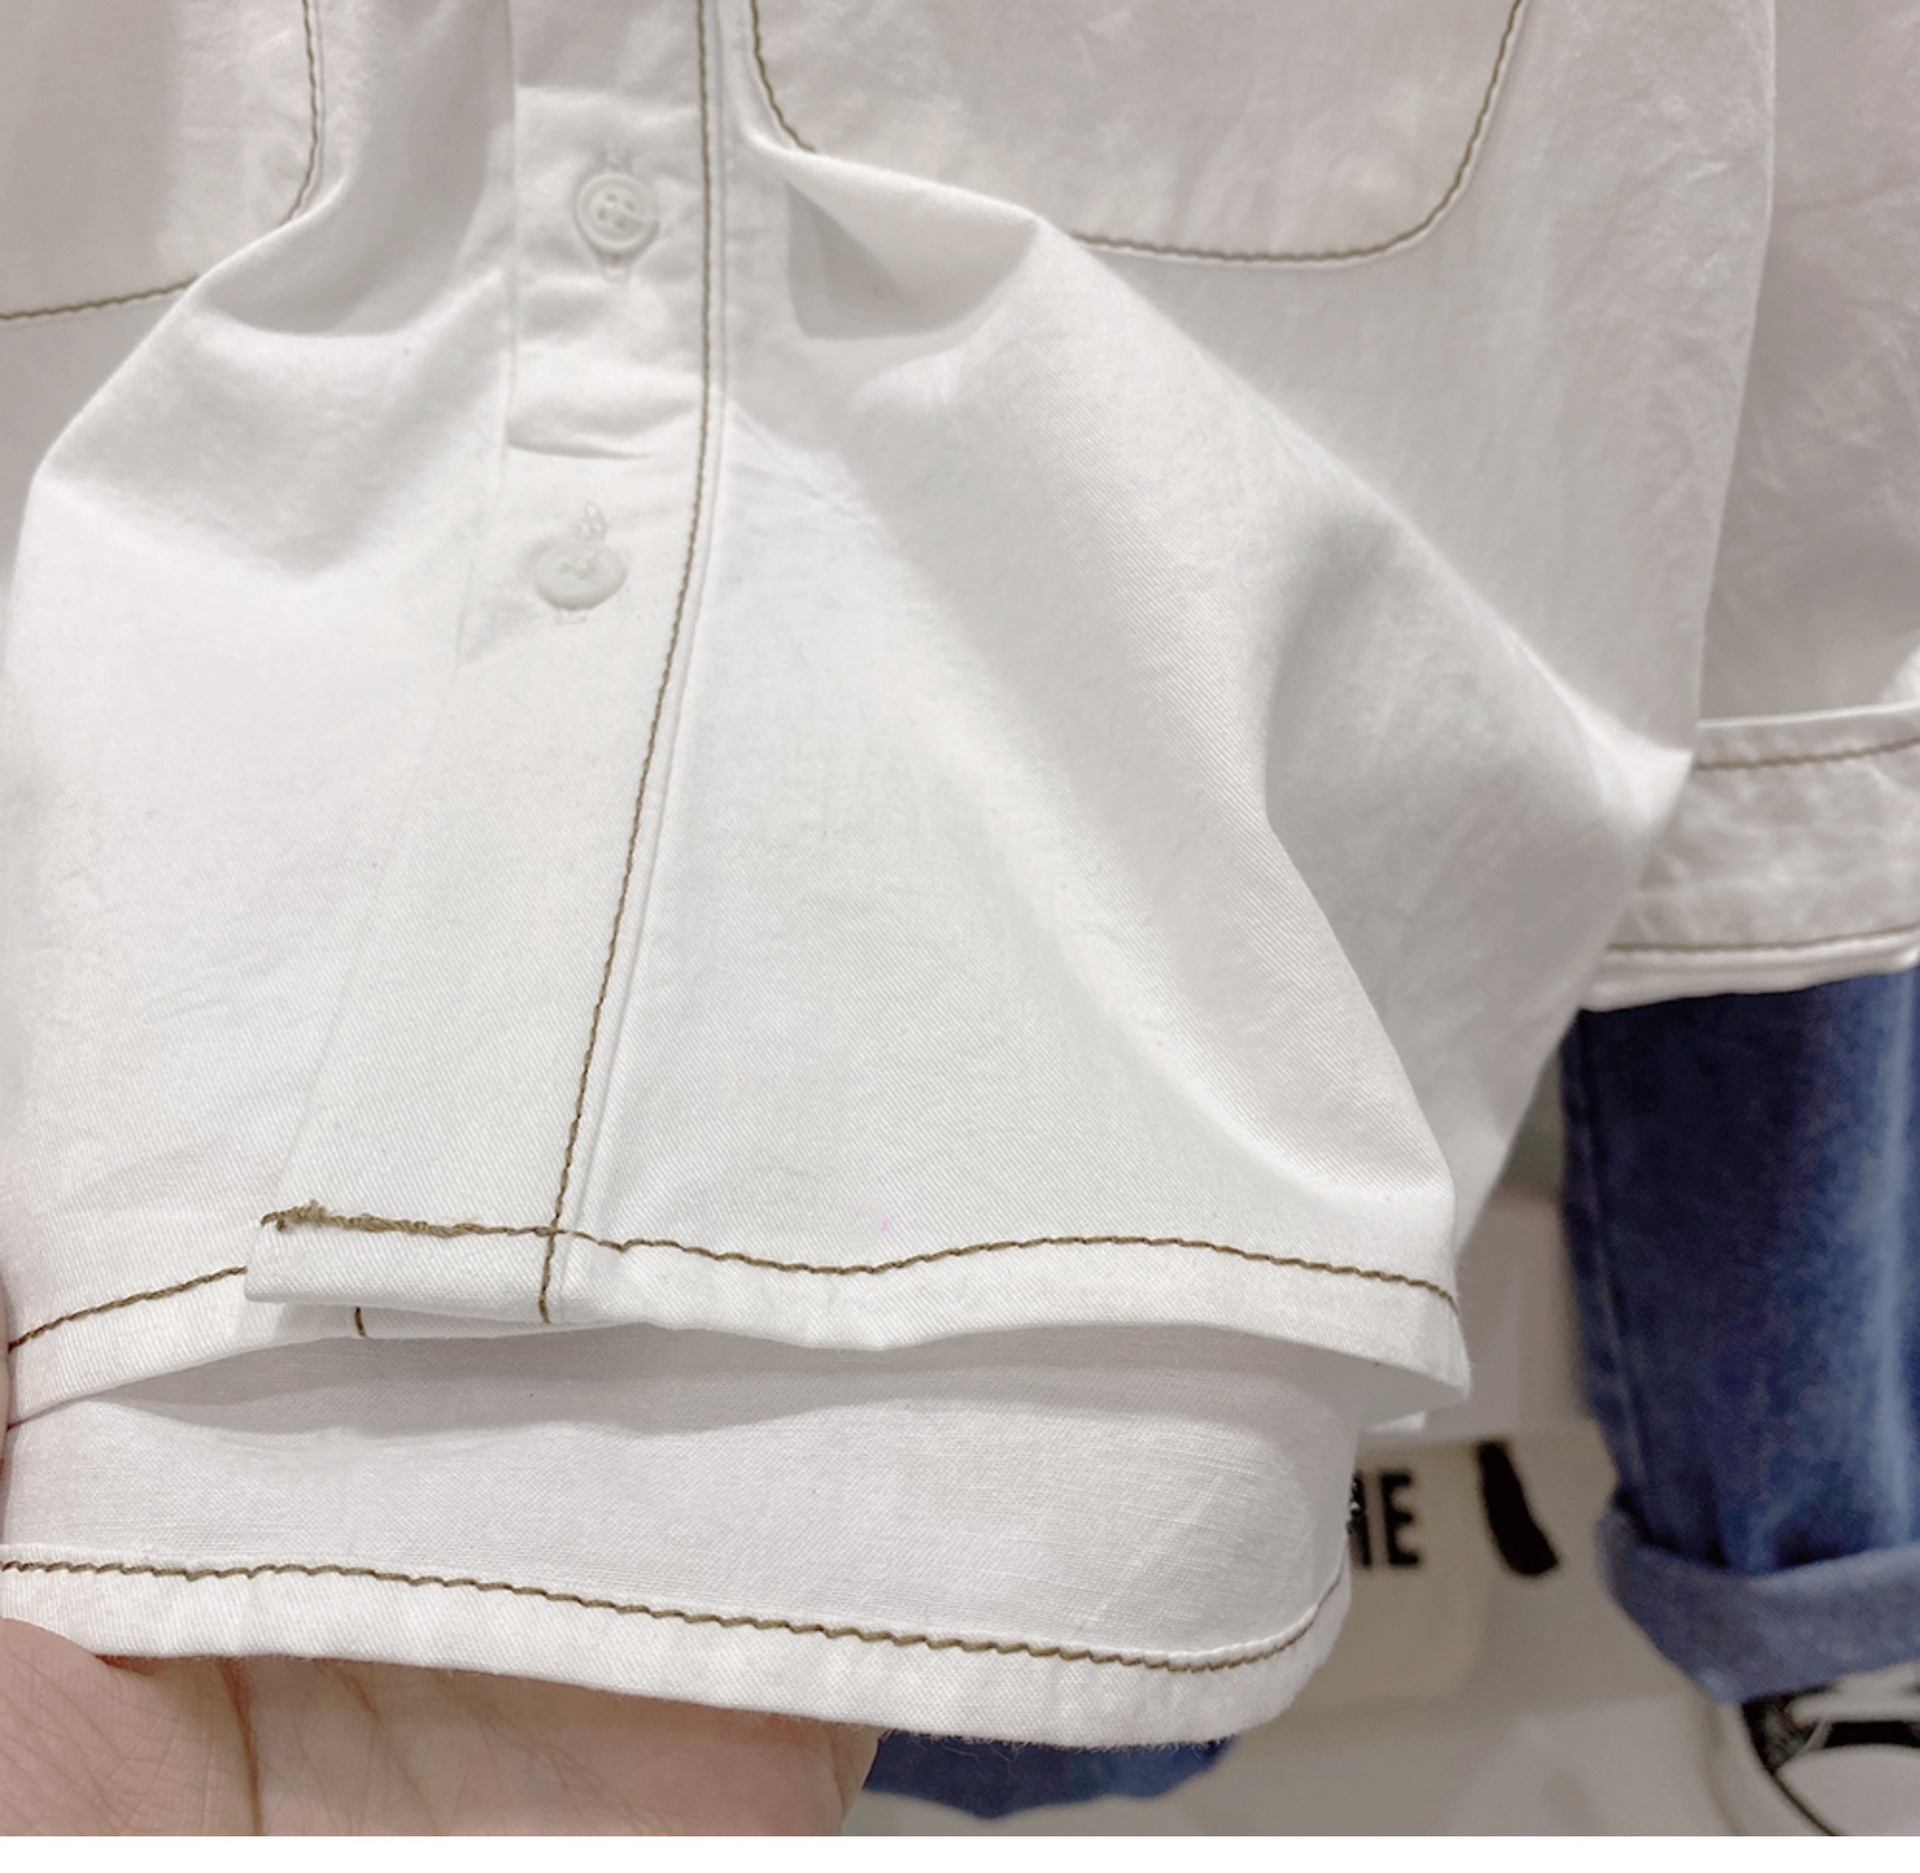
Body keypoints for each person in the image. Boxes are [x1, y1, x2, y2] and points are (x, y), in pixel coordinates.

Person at [2, 0, 1917, 1835]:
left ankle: (1818, 1582)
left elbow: (1814, 200)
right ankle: (1816, 1583)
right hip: (188, 1275)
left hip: (1130, 1170)